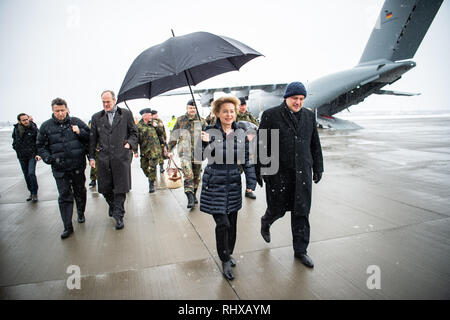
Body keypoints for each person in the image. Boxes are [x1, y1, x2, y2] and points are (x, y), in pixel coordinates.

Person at [258, 82, 323, 268]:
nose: (298, 102)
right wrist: (261, 171)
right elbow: (263, 145)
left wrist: (318, 167)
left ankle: (301, 250)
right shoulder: (271, 115)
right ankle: (266, 221)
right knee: (277, 208)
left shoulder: (309, 116)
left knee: (301, 212)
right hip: (279, 173)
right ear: (286, 97)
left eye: (301, 99)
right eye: (295, 98)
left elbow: (314, 144)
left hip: (302, 172)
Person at [200, 96, 256, 280]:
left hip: (233, 184)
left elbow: (246, 159)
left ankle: (229, 252)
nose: (229, 114)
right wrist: (204, 142)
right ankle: (224, 259)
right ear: (217, 113)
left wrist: (251, 182)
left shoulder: (240, 133)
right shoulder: (208, 131)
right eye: (225, 111)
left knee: (232, 225)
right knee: (223, 224)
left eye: (232, 111)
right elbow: (200, 156)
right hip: (215, 183)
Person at [37, 98, 90, 239]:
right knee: (64, 195)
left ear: (67, 109)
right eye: (57, 111)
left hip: (77, 166)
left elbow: (90, 138)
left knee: (80, 191)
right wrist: (48, 158)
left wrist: (80, 133)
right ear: (53, 111)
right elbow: (41, 146)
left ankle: (80, 212)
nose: (60, 113)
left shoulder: (76, 122)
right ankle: (67, 226)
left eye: (62, 110)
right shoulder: (46, 127)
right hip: (60, 169)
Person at [89, 90, 138, 230]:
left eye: (108, 101)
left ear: (115, 100)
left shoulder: (126, 114)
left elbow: (134, 132)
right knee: (105, 188)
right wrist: (91, 156)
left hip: (121, 157)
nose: (105, 104)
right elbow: (92, 138)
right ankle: (112, 205)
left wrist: (129, 143)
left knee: (120, 189)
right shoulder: (96, 117)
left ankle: (119, 216)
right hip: (103, 158)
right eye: (103, 102)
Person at [168, 99, 206, 208]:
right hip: (184, 153)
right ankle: (189, 197)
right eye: (190, 108)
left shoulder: (201, 121)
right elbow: (174, 137)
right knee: (188, 175)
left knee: (197, 177)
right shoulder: (180, 120)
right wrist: (169, 150)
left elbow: (208, 135)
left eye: (194, 108)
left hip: (198, 153)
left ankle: (193, 194)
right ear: (187, 108)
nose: (192, 110)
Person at [134, 108, 165, 193]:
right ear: (144, 116)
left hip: (155, 150)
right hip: (145, 150)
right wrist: (135, 151)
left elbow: (161, 133)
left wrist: (157, 126)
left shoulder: (154, 123)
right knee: (143, 166)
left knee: (152, 167)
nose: (151, 116)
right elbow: (135, 139)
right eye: (149, 115)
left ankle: (151, 183)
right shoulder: (138, 126)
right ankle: (151, 177)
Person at [12, 113, 41, 202]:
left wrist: (38, 153)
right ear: (19, 121)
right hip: (21, 156)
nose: (26, 121)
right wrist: (16, 147)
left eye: (27, 119)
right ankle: (31, 192)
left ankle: (35, 193)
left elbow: (39, 141)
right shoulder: (16, 129)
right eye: (24, 120)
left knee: (31, 173)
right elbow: (14, 139)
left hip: (32, 155)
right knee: (26, 174)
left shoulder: (33, 128)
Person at [87, 120, 97, 188]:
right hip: (93, 150)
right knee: (93, 167)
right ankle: (93, 179)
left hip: (100, 149)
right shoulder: (88, 130)